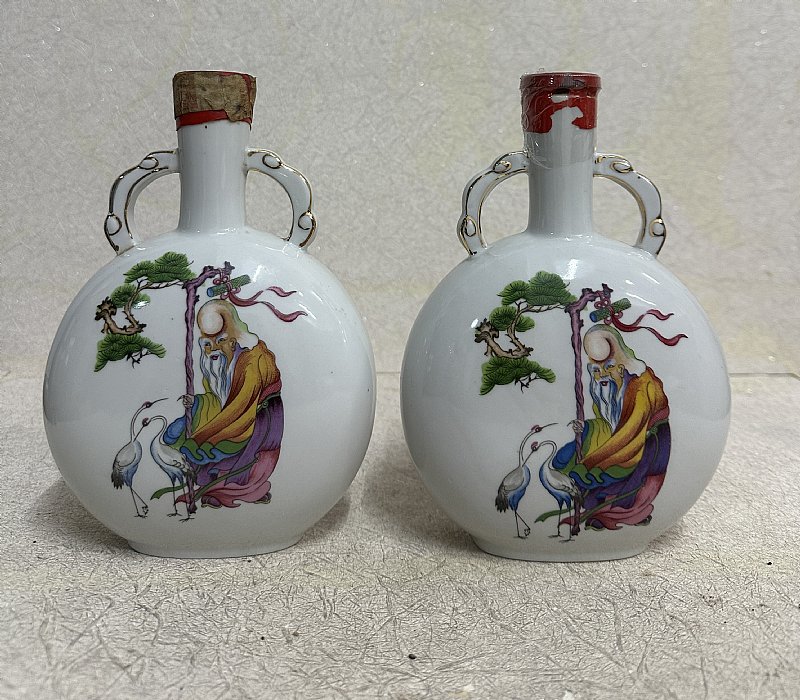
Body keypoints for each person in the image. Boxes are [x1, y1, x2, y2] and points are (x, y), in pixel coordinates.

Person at [164, 299, 283, 509]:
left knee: (245, 455)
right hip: (232, 415)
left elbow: (242, 403)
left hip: (259, 416)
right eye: (207, 344)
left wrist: (214, 431)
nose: (213, 350)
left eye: (220, 341)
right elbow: (216, 399)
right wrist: (197, 403)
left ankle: (242, 492)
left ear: (233, 339)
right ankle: (214, 491)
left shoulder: (252, 360)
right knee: (204, 441)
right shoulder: (218, 367)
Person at [554, 325, 670, 531]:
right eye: (596, 370)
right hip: (621, 438)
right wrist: (586, 428)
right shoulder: (609, 389)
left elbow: (631, 429)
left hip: (647, 441)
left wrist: (601, 458)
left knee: (612, 476)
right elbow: (607, 424)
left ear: (620, 364)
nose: (601, 376)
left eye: (608, 367)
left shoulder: (641, 385)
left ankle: (616, 515)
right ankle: (596, 511)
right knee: (568, 457)